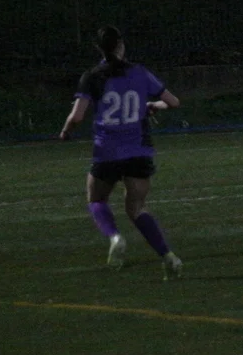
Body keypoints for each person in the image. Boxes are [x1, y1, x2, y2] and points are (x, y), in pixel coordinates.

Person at [59, 25, 183, 277]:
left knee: (96, 200)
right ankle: (168, 257)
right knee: (136, 208)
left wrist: (65, 132)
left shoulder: (92, 76)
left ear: (99, 48)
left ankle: (115, 238)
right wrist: (152, 105)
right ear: (121, 45)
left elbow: (77, 116)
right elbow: (173, 102)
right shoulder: (139, 72)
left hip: (107, 151)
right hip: (138, 150)